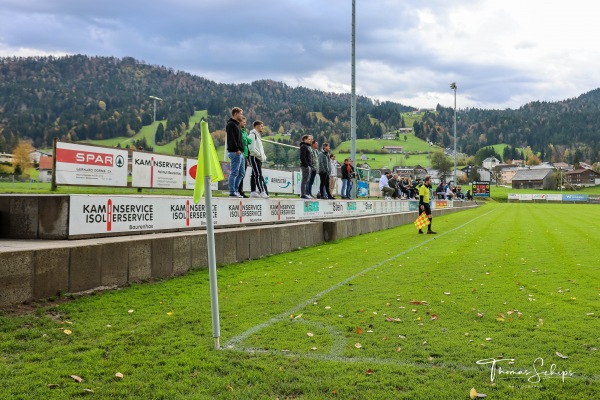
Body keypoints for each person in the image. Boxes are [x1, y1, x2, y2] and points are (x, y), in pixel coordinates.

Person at [226, 107, 245, 198]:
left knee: (241, 173)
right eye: (240, 114)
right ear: (235, 114)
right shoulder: (230, 124)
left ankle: (236, 191)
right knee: (234, 172)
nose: (242, 115)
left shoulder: (237, 125)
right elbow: (231, 139)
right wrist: (236, 149)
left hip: (240, 152)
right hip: (235, 152)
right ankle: (232, 191)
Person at [248, 120, 268, 199]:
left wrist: (263, 157)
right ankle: (262, 192)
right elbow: (251, 148)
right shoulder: (252, 135)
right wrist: (259, 155)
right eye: (261, 126)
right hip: (254, 157)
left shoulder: (258, 136)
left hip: (258, 158)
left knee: (254, 175)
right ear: (256, 126)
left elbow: (260, 148)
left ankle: (253, 192)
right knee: (258, 174)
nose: (262, 127)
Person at [237, 116, 252, 198]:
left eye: (245, 122)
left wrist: (246, 138)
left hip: (245, 154)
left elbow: (250, 141)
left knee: (242, 173)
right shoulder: (239, 131)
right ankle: (237, 190)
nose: (245, 123)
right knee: (239, 173)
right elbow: (244, 140)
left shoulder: (245, 132)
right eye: (243, 122)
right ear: (239, 122)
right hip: (240, 154)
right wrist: (246, 138)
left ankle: (240, 190)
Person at [299, 135, 313, 199]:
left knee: (307, 181)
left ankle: (306, 193)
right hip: (305, 166)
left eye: (311, 139)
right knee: (304, 180)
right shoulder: (303, 147)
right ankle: (303, 194)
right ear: (305, 140)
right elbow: (302, 157)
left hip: (309, 166)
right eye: (309, 139)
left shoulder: (308, 147)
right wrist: (306, 165)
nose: (311, 140)